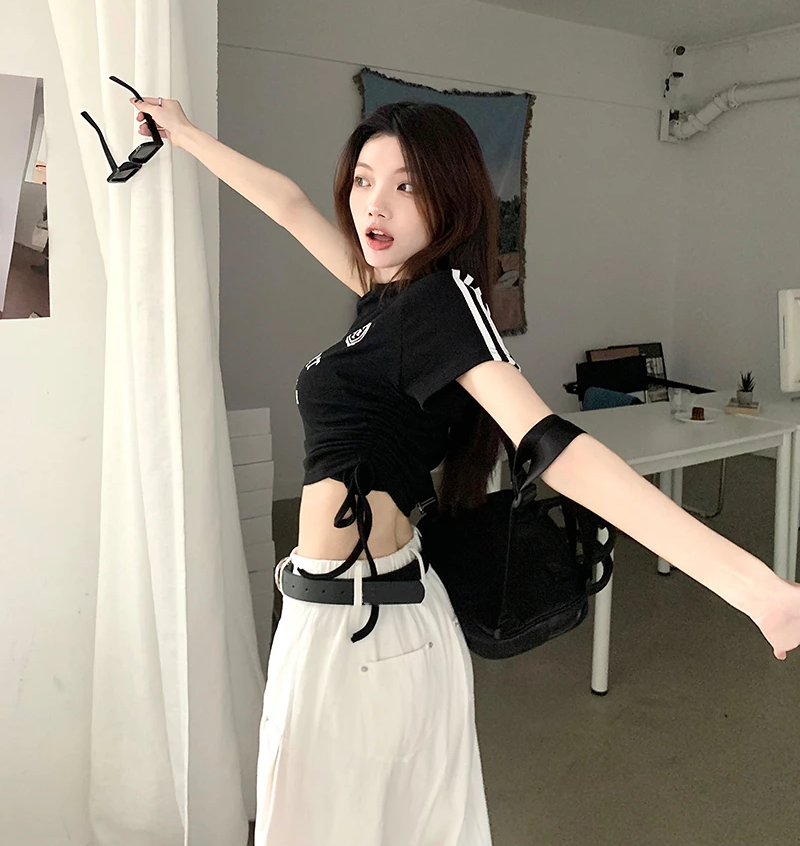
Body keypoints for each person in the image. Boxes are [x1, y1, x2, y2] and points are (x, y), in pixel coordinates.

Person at [131, 95, 800, 846]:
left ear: (451, 199)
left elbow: (552, 444)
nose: (374, 204)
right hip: (337, 605)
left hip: (365, 622)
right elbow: (288, 205)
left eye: (407, 186)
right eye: (362, 180)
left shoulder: (443, 303)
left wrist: (755, 589)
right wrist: (183, 134)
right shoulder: (385, 294)